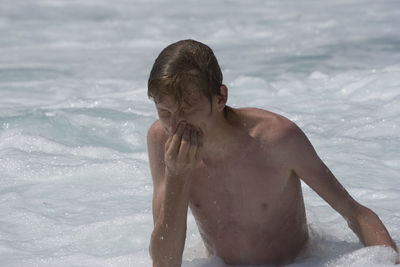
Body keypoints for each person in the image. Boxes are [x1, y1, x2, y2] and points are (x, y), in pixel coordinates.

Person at [146, 39, 398, 266]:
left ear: (221, 97)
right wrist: (177, 175)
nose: (176, 124)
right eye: (165, 112)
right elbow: (165, 263)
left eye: (188, 108)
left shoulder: (276, 138)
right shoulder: (160, 139)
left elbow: (356, 214)